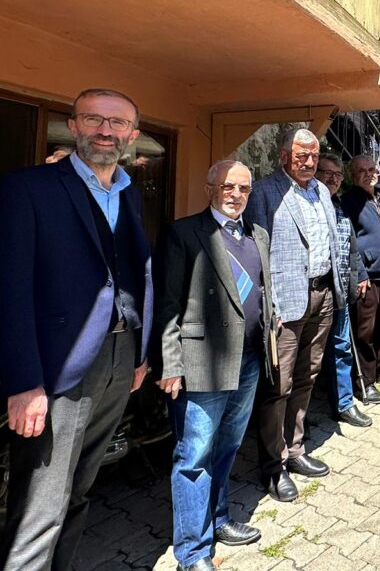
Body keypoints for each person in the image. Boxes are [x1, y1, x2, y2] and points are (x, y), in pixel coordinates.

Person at [0, 88, 153, 571]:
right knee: (39, 508)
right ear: (74, 124)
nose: (106, 131)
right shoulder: (29, 188)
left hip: (119, 359)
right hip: (58, 368)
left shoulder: (128, 191)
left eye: (118, 124)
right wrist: (25, 383)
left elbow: (131, 272)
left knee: (81, 491)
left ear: (132, 135)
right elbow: (11, 290)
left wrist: (141, 354)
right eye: (94, 120)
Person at [154, 160, 274, 571]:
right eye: (227, 186)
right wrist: (170, 363)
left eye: (243, 188)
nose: (235, 194)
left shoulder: (258, 234)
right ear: (210, 188)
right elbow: (168, 305)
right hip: (201, 364)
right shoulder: (183, 233)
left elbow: (262, 295)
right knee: (194, 457)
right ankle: (193, 551)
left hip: (249, 360)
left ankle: (219, 518)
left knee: (228, 447)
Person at [244, 128, 345, 501]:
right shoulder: (265, 191)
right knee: (279, 385)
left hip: (321, 294)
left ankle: (296, 448)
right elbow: (257, 256)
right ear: (284, 156)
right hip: (286, 304)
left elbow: (331, 244)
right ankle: (273, 465)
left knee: (308, 376)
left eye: (314, 156)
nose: (308, 162)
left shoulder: (320, 190)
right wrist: (268, 308)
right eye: (301, 156)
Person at [312, 153, 374, 425]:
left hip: (339, 291)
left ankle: (344, 403)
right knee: (308, 357)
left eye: (337, 175)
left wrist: (359, 273)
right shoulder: (308, 203)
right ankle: (298, 419)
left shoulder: (338, 205)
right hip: (311, 294)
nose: (333, 179)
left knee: (341, 347)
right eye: (327, 173)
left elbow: (352, 246)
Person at [339, 154, 380, 401]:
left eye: (372, 169)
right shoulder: (349, 201)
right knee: (364, 333)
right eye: (362, 170)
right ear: (353, 176)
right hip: (369, 278)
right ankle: (364, 383)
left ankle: (377, 369)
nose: (369, 173)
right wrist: (361, 273)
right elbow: (350, 240)